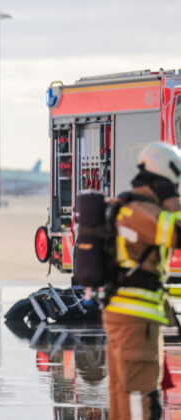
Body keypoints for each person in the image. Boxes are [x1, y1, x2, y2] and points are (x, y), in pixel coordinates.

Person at [103, 142, 181, 419]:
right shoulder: (143, 211)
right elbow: (178, 232)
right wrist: (172, 199)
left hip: (124, 314)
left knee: (124, 399)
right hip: (136, 319)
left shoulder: (129, 205)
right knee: (141, 401)